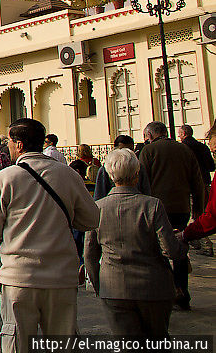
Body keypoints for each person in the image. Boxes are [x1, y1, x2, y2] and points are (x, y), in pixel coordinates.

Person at [0, 118, 99, 353]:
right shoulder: (68, 175)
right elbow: (91, 220)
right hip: (61, 277)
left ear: (19, 145)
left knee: (18, 342)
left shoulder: (5, 178)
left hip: (19, 277)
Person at [84, 148, 187, 337]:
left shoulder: (98, 208)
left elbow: (90, 254)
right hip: (153, 286)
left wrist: (100, 285)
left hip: (114, 287)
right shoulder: (152, 205)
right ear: (137, 174)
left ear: (109, 174)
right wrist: (182, 243)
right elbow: (170, 250)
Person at [139, 121, 205, 310]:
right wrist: (198, 209)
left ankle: (164, 292)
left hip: (156, 209)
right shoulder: (184, 150)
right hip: (181, 208)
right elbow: (197, 180)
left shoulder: (149, 151)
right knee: (179, 250)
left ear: (150, 135)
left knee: (156, 250)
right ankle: (182, 290)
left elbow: (143, 181)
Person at [179, 124, 214, 256]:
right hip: (204, 183)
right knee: (202, 211)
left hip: (191, 185)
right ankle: (197, 241)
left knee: (196, 214)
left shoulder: (183, 148)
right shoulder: (203, 147)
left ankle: (205, 244)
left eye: (179, 134)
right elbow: (211, 166)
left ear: (183, 134)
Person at [94, 135, 152, 200]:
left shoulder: (139, 167)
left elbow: (146, 190)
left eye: (130, 150)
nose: (126, 154)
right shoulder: (105, 169)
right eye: (122, 150)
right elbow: (99, 194)